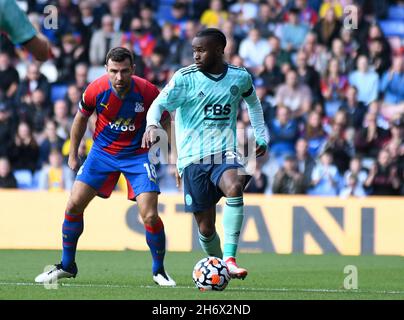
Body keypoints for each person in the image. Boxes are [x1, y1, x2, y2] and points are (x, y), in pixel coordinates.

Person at [34, 47, 176, 286]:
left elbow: (166, 120)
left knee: (150, 216)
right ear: (106, 70)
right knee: (74, 203)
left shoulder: (148, 91)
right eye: (113, 71)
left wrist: (173, 155)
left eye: (123, 71)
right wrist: (73, 152)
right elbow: (80, 118)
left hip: (137, 155)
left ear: (132, 69)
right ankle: (67, 265)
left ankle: (159, 271)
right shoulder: (95, 89)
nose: (119, 77)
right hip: (102, 154)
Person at [143, 28, 268, 280]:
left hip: (223, 151)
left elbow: (253, 103)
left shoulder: (239, 77)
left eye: (201, 50)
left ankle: (230, 260)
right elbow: (158, 104)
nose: (196, 55)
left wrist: (261, 134)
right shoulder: (184, 78)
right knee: (206, 227)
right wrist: (152, 124)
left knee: (234, 186)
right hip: (192, 159)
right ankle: (220, 263)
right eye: (194, 51)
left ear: (220, 50)